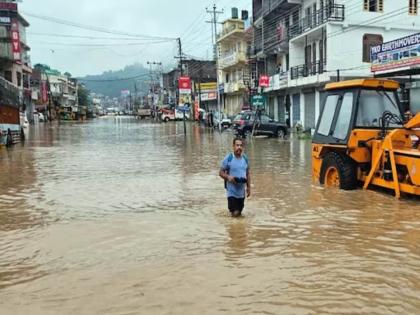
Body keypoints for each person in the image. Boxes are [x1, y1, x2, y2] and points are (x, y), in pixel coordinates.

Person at [219, 138, 251, 217]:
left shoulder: (245, 159)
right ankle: (232, 229)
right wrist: (228, 177)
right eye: (237, 145)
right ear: (233, 146)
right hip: (231, 193)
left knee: (239, 214)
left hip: (241, 193)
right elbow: (220, 172)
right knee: (235, 213)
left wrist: (249, 187)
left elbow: (247, 174)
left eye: (241, 145)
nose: (239, 147)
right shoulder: (228, 158)